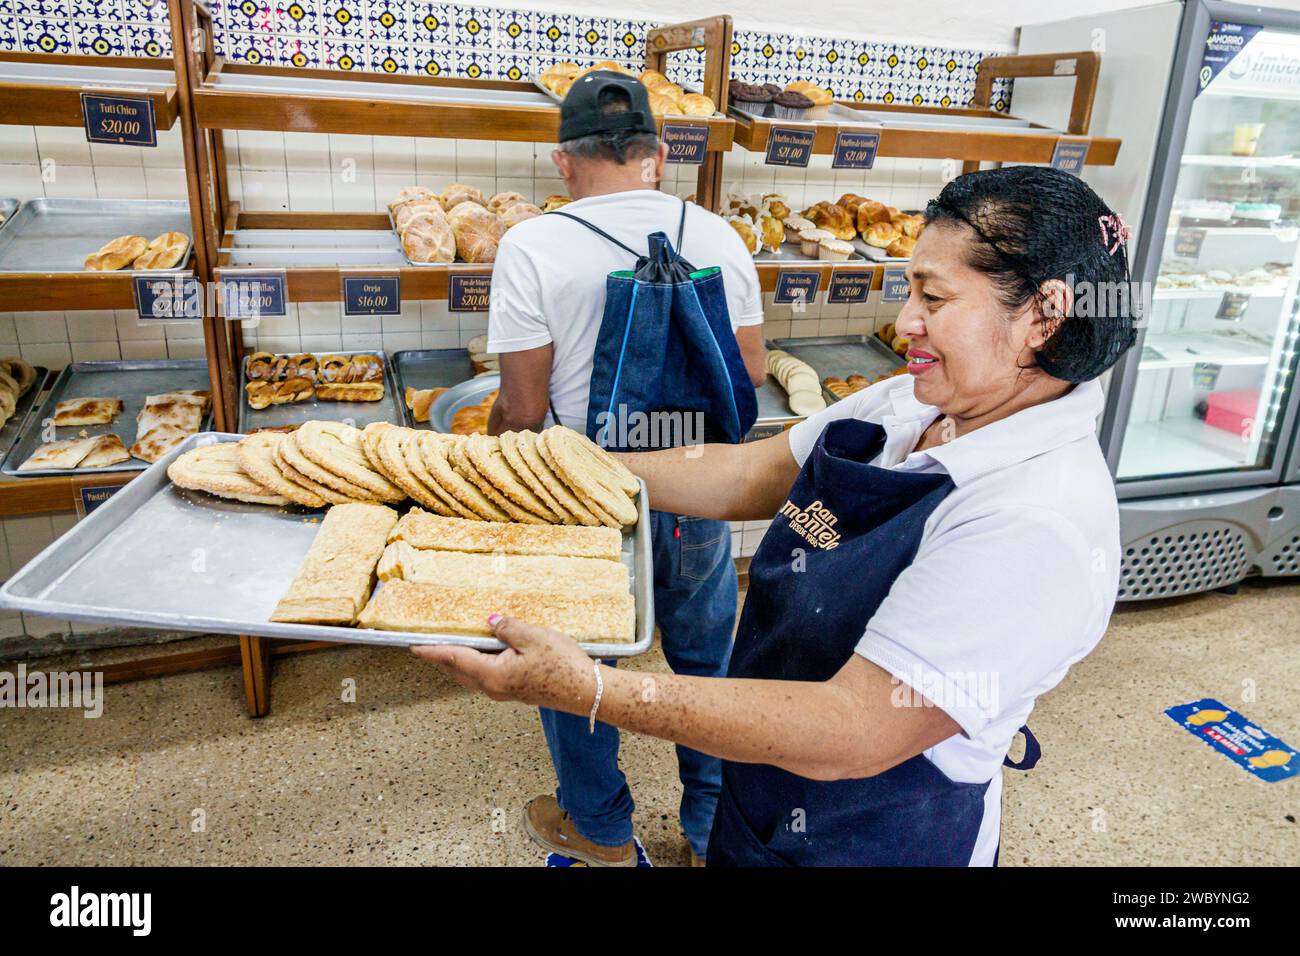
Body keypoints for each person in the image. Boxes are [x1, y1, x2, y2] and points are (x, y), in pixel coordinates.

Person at [419, 164, 1138, 866]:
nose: (906, 320)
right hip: (764, 781)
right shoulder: (915, 404)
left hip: (872, 834)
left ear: (1043, 315)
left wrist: (591, 688)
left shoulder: (1036, 519)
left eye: (934, 297)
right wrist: (548, 475)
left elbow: (852, 728)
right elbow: (748, 471)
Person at [484, 71, 767, 866]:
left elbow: (523, 405)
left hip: (588, 494)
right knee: (708, 662)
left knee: (573, 669)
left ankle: (602, 832)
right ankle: (714, 832)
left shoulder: (532, 244)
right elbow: (747, 372)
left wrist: (482, 458)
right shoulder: (719, 235)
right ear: (660, 154)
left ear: (563, 164)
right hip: (699, 484)